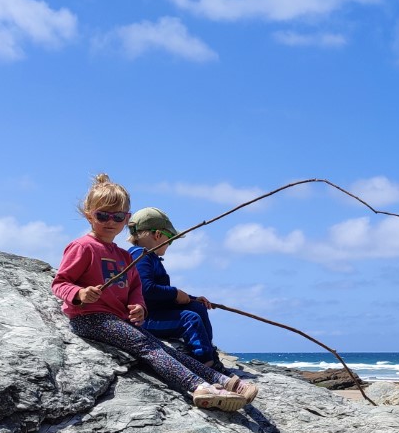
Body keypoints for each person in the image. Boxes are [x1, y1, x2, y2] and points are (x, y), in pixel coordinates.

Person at [51, 174, 257, 411]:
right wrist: (80, 293)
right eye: (102, 215)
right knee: (149, 348)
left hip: (117, 320)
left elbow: (136, 288)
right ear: (89, 215)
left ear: (126, 218)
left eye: (118, 216)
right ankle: (198, 386)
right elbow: (60, 282)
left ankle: (223, 381)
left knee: (164, 348)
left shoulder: (124, 255)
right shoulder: (82, 247)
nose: (111, 222)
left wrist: (139, 307)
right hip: (90, 318)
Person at [125, 206, 224, 370]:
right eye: (170, 239)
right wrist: (175, 293)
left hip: (155, 312)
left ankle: (210, 353)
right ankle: (206, 365)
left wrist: (191, 299)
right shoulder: (140, 256)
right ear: (157, 235)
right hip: (145, 319)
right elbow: (147, 290)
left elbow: (161, 294)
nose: (170, 244)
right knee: (190, 319)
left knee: (197, 307)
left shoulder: (150, 257)